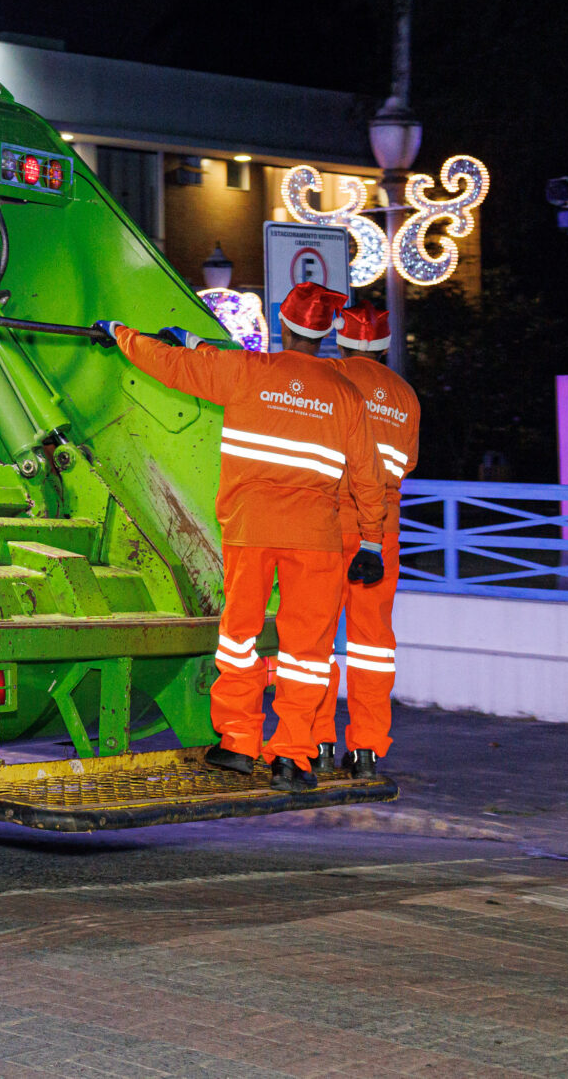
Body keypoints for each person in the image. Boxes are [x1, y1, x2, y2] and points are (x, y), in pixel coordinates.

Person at [100, 283, 389, 791]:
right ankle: (294, 757)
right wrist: (370, 541)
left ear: (284, 325)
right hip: (315, 539)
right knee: (307, 650)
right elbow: (369, 476)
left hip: (249, 532)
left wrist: (120, 335)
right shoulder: (347, 397)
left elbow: (173, 367)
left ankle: (236, 742)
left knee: (239, 637)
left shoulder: (249, 372)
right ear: (325, 336)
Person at [314, 301, 418, 778]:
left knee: (314, 637)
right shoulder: (405, 397)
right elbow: (406, 466)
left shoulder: (330, 377)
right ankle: (368, 751)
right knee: (373, 643)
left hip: (330, 524)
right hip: (384, 534)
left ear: (342, 338)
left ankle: (317, 743)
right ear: (385, 344)